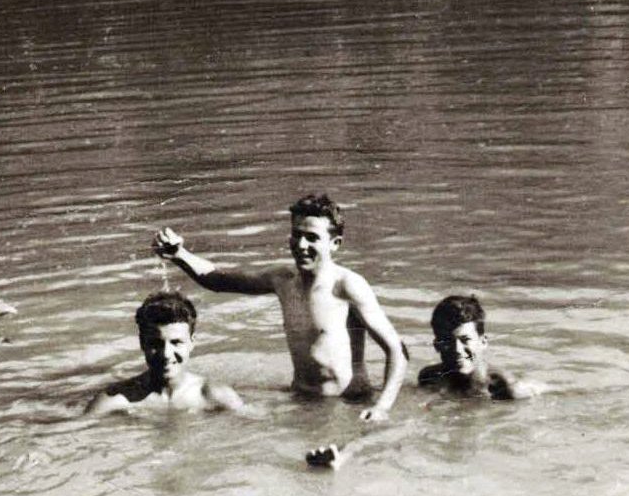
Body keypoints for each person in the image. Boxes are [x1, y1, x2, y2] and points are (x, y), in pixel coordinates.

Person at [153, 193, 408, 454]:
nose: (301, 244)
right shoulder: (282, 280)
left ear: (335, 243)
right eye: (296, 234)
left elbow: (397, 351)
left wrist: (382, 408)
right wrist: (179, 254)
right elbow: (218, 280)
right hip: (302, 400)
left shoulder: (347, 286)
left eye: (312, 237)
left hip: (348, 405)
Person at [88, 291, 244, 414]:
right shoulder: (118, 399)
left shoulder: (215, 395)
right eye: (156, 344)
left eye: (176, 342)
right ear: (142, 343)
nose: (166, 354)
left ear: (192, 342)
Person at [417, 294, 538, 399]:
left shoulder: (508, 389)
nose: (457, 350)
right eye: (448, 341)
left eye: (465, 340)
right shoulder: (430, 378)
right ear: (437, 345)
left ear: (483, 342)